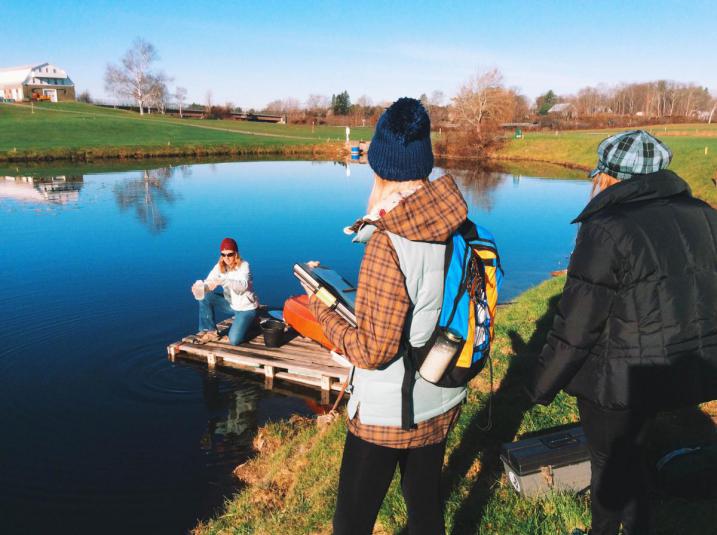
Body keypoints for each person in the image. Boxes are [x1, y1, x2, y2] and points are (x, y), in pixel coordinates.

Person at [527, 130, 717, 535]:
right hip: (669, 368)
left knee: (609, 465)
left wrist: (541, 385)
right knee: (630, 455)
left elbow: (577, 323)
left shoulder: (606, 227)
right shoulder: (703, 213)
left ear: (610, 176)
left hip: (616, 380)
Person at [307, 98, 468, 535]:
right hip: (442, 395)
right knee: (425, 509)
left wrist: (324, 314)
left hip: (387, 415)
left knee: (352, 523)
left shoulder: (387, 243)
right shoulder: (457, 224)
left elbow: (373, 350)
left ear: (379, 166)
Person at [192, 237, 259, 345]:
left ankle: (252, 322)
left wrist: (224, 281)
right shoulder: (219, 266)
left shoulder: (244, 266)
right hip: (231, 304)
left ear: (236, 253)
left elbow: (243, 285)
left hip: (246, 308)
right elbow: (209, 282)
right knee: (205, 296)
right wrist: (200, 287)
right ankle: (211, 332)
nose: (226, 258)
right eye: (223, 255)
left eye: (230, 254)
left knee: (234, 340)